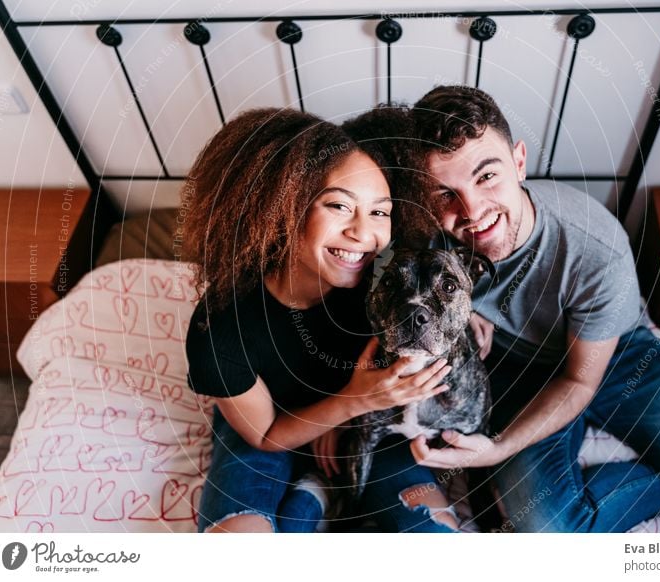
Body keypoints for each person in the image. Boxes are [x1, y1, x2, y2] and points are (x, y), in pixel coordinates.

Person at [405, 85, 660, 532]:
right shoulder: (422, 236)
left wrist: (500, 449)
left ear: (519, 162)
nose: (472, 211)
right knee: (546, 530)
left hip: (618, 357)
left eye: (487, 177)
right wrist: (460, 309)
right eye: (446, 194)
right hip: (514, 370)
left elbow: (580, 380)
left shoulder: (594, 247)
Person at [183, 107, 459, 533]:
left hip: (373, 424)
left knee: (435, 535)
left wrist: (476, 317)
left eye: (380, 212)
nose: (362, 233)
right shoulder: (220, 327)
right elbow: (265, 434)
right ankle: (312, 497)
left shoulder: (390, 278)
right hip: (274, 419)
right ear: (281, 209)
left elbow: (450, 281)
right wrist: (351, 401)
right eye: (339, 206)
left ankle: (312, 500)